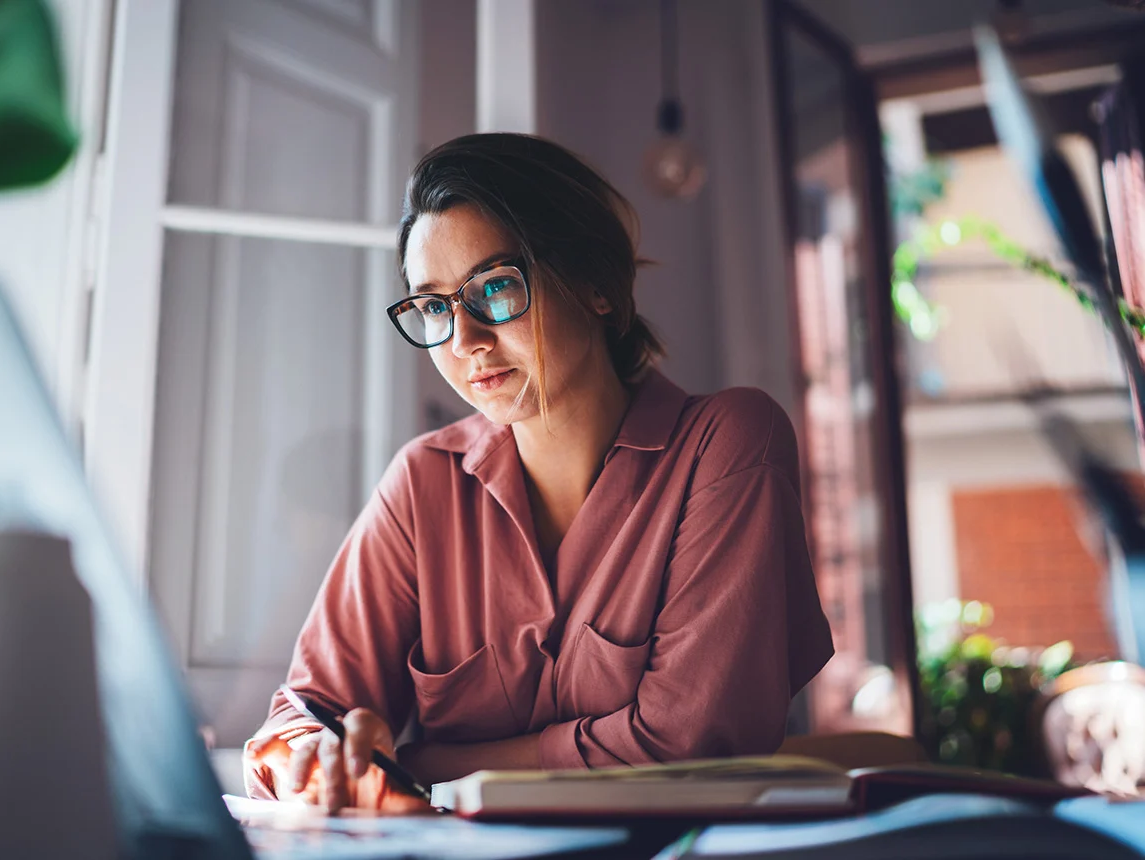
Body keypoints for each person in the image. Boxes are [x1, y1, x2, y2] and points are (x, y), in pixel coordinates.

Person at [243, 133, 833, 812]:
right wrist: (313, 755)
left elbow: (689, 741)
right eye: (434, 306)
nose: (465, 342)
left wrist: (427, 765)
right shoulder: (422, 486)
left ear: (597, 285)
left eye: (494, 288)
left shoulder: (728, 446)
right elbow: (306, 710)